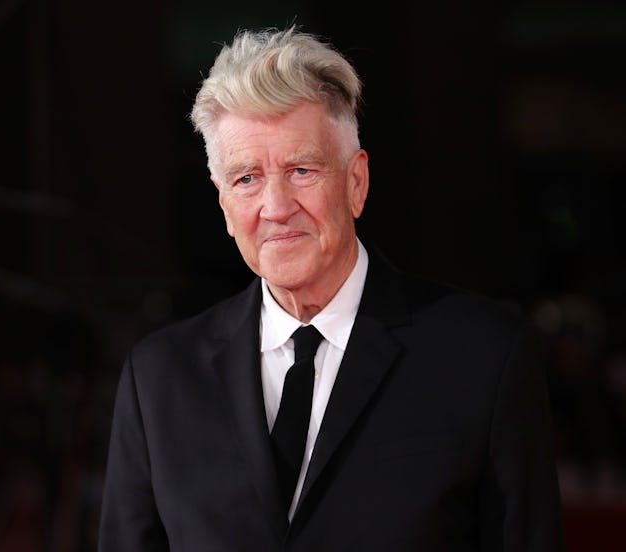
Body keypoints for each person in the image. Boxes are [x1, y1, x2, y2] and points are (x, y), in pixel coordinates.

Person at [98, 27, 565, 551]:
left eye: (301, 170)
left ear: (356, 182)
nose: (276, 207)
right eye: (247, 178)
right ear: (223, 203)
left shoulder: (485, 358)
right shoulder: (159, 379)